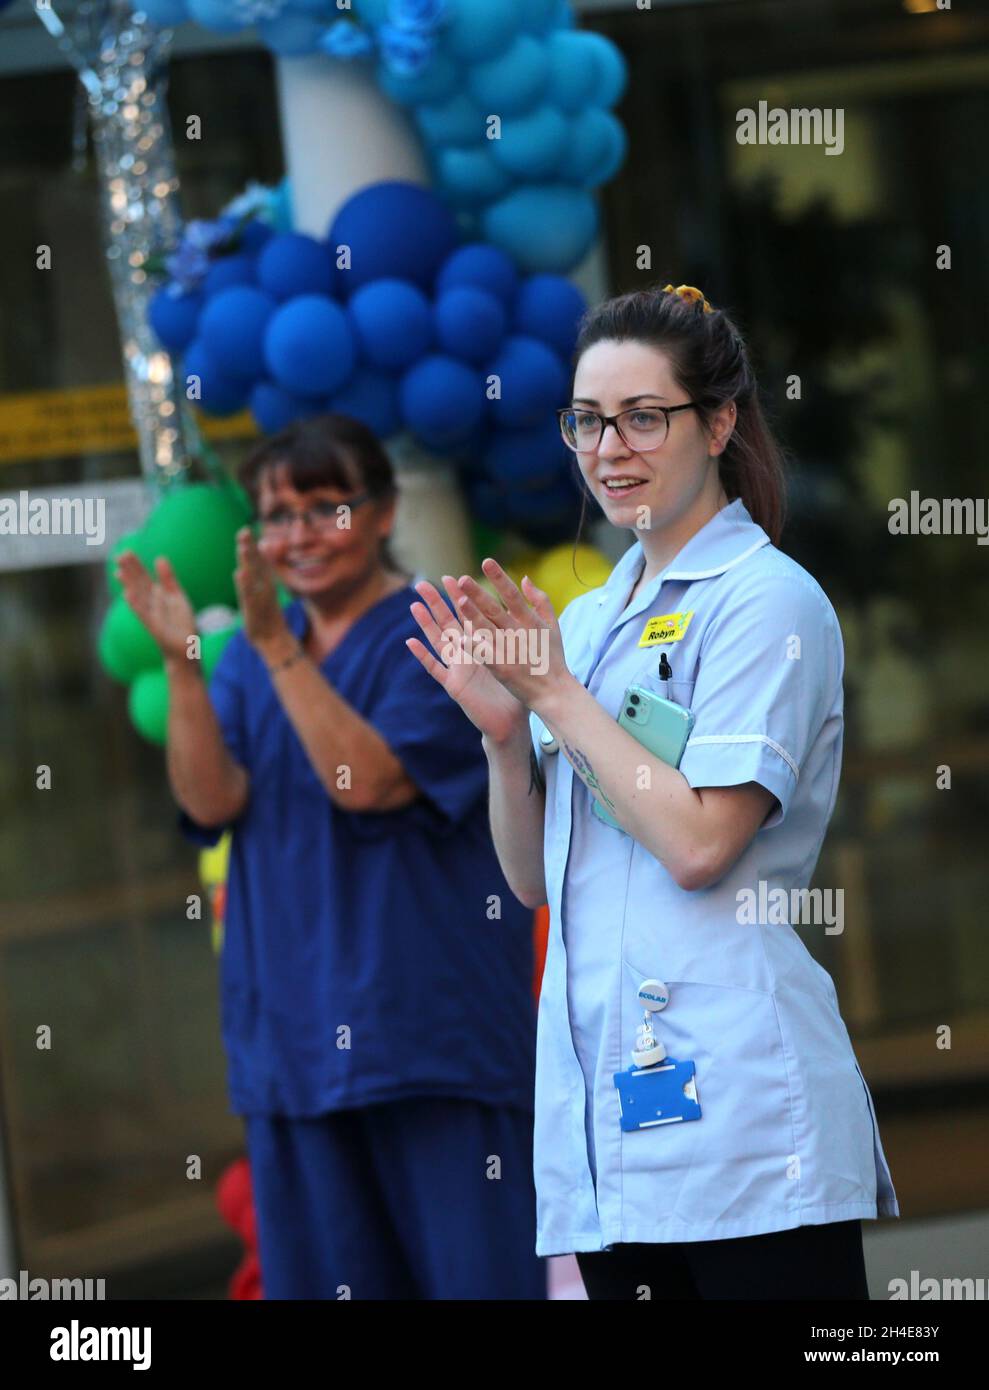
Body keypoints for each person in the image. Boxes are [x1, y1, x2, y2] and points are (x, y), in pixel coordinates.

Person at [406, 282, 899, 1301]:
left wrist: (550, 691)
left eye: (642, 416)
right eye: (586, 420)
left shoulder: (769, 601)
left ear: (717, 421)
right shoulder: (587, 623)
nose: (608, 447)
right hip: (608, 1137)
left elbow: (698, 844)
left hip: (747, 1129)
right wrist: (505, 738)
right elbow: (534, 878)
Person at [116, 414, 544, 1301]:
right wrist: (187, 668)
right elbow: (210, 800)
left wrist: (275, 646)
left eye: (325, 508)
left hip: (433, 1042)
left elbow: (370, 782)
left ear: (383, 513)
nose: (298, 535)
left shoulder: (436, 632)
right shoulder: (244, 662)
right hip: (295, 1049)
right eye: (278, 515)